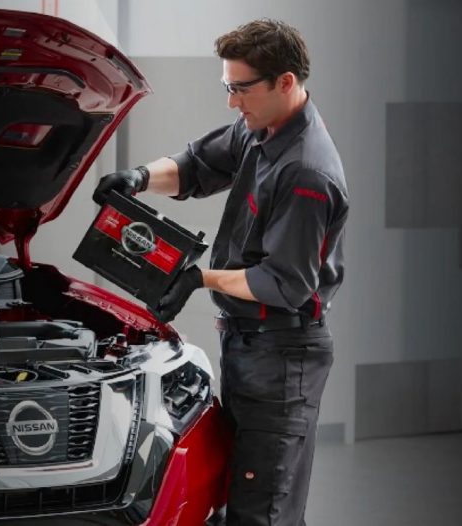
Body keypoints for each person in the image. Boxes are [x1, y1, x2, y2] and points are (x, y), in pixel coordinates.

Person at [93, 19, 348, 526]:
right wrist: (139, 178)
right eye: (227, 87)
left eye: (241, 89)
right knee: (237, 499)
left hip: (283, 359)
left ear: (286, 82)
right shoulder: (262, 127)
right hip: (250, 347)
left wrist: (199, 278)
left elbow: (283, 284)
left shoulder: (305, 172)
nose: (233, 102)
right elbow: (197, 165)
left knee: (262, 511)